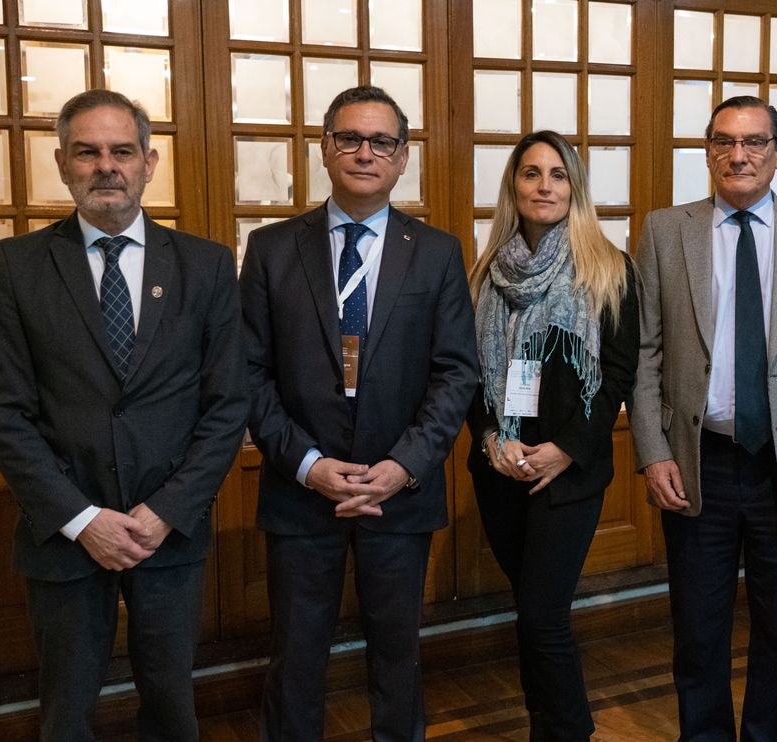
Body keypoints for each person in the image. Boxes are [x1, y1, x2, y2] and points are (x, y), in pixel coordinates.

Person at [0, 89, 246, 741]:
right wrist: (82, 519)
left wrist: (166, 511)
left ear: (149, 163)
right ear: (62, 164)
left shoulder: (205, 265)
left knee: (172, 707)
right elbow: (5, 411)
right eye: (87, 152)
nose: (106, 166)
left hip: (168, 531)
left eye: (122, 151)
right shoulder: (18, 264)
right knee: (66, 712)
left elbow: (227, 404)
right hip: (66, 532)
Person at [240, 84, 478, 741]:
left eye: (381, 142)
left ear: (403, 158)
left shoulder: (436, 251)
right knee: (295, 657)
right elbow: (247, 374)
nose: (365, 153)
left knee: (398, 657)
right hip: (300, 491)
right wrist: (308, 464)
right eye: (349, 138)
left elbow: (456, 371)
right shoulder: (271, 249)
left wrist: (404, 465)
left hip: (398, 493)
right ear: (325, 149)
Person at [629, 95, 777, 741]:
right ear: (708, 152)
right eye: (725, 142)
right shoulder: (665, 231)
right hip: (697, 463)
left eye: (755, 142)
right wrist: (654, 452)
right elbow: (645, 353)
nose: (739, 155)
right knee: (697, 634)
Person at [465, 130, 639, 741]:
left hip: (568, 474)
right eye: (531, 173)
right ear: (513, 187)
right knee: (530, 612)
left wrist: (566, 449)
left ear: (575, 188)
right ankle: (546, 725)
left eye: (558, 175)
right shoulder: (486, 274)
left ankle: (570, 730)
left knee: (543, 616)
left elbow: (617, 373)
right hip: (501, 469)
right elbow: (465, 373)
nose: (544, 186)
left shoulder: (609, 270)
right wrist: (490, 438)